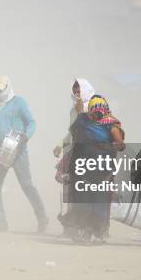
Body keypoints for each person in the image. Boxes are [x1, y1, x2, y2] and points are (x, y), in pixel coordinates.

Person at [58, 95, 124, 243]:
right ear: (90, 111)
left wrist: (116, 145)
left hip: (102, 168)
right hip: (83, 165)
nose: (97, 116)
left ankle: (98, 233)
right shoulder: (83, 120)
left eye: (100, 113)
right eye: (94, 113)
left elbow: (120, 142)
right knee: (84, 199)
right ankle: (86, 231)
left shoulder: (111, 123)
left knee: (99, 200)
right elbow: (75, 133)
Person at [0, 75, 48, 232]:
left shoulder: (18, 102)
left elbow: (31, 122)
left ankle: (42, 218)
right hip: (1, 150)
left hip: (18, 150)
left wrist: (26, 136)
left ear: (7, 87)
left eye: (0, 90)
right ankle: (1, 222)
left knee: (27, 185)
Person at [54, 78, 95, 237]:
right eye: (75, 91)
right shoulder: (74, 109)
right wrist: (60, 144)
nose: (77, 93)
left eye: (80, 90)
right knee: (71, 189)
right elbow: (72, 131)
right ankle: (72, 227)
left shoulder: (95, 107)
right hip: (75, 152)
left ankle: (94, 228)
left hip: (91, 153)